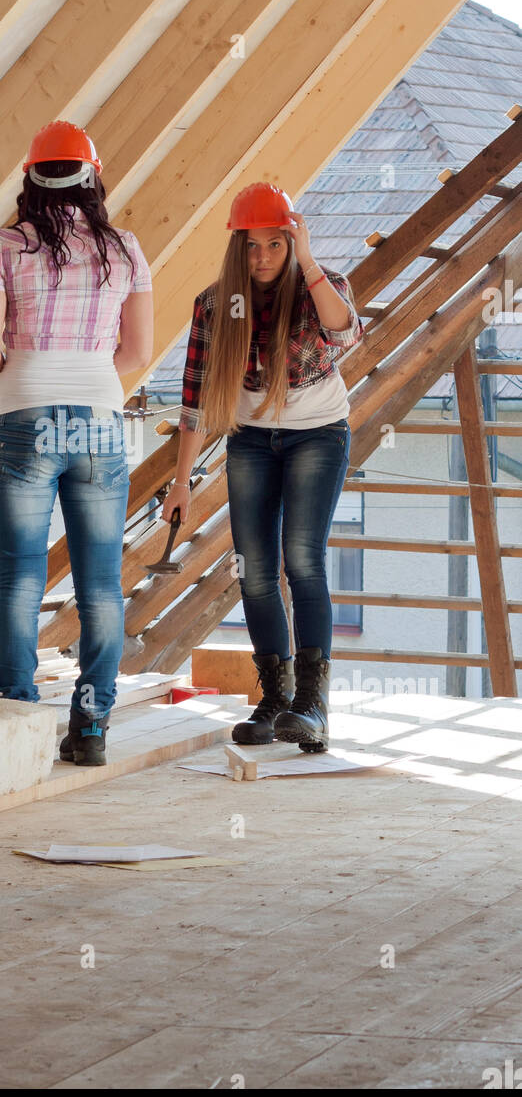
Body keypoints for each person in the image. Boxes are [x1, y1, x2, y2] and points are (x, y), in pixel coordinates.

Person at [0, 121, 153, 766]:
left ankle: (18, 716)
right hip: (99, 422)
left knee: (19, 578)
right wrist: (86, 371)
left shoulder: (4, 246)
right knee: (101, 583)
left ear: (30, 179)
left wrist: (20, 366)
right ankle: (93, 724)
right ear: (93, 176)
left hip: (24, 415)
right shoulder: (124, 249)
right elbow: (136, 352)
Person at [162, 182, 364, 752]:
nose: (262, 258)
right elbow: (196, 398)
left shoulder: (323, 287)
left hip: (318, 436)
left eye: (274, 245)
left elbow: (344, 332)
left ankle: (312, 705)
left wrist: (308, 257)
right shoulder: (214, 304)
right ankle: (275, 700)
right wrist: (180, 482)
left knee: (302, 561)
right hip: (250, 439)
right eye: (252, 247)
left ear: (290, 241)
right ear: (238, 248)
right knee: (253, 568)